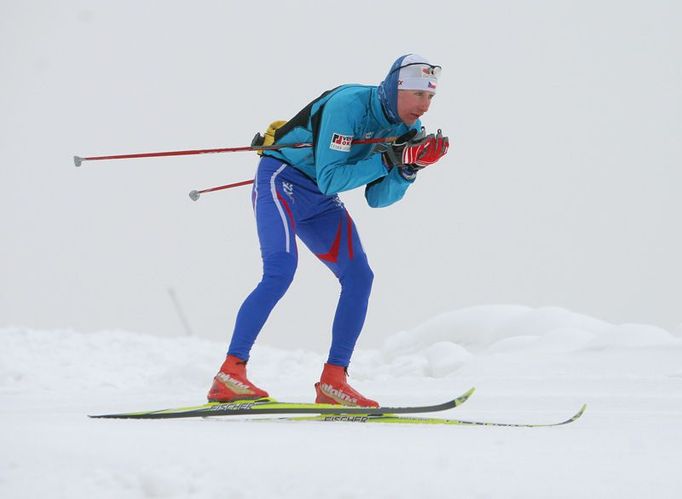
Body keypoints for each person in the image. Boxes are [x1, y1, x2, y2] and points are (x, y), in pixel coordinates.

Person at [207, 54, 449, 407]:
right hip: (282, 179)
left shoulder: (408, 133)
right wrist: (389, 159)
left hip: (319, 199)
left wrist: (409, 169)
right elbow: (331, 176)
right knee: (280, 272)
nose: (424, 106)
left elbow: (378, 198)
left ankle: (334, 380)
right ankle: (230, 374)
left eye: (430, 97)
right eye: (417, 95)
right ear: (396, 88)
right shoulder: (348, 104)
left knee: (359, 276)